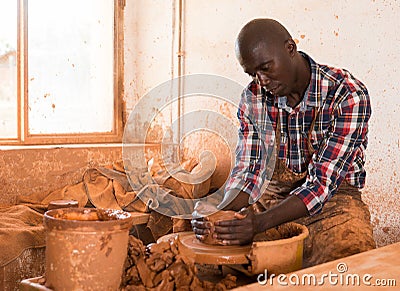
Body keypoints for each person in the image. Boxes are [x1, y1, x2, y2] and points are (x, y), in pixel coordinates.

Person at [191, 18, 376, 267]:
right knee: (211, 258)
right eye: (252, 73)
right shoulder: (254, 97)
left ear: (290, 48)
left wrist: (260, 223)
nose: (262, 80)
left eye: (266, 67)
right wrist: (218, 212)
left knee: (349, 264)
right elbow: (250, 174)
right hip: (269, 199)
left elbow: (321, 185)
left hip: (333, 204)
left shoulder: (347, 95)